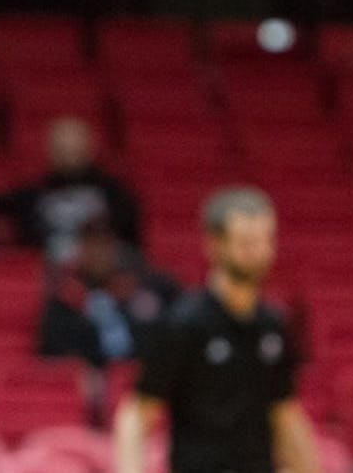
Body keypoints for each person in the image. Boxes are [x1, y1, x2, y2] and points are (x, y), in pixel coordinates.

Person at [113, 186, 321, 473]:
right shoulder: (185, 323)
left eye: (266, 240)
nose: (260, 252)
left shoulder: (273, 323)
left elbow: (285, 414)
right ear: (214, 245)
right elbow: (137, 413)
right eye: (247, 243)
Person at [37, 215, 177, 367]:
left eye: (105, 245)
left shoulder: (144, 285)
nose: (99, 254)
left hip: (139, 373)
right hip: (87, 377)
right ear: (81, 250)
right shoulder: (65, 297)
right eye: (92, 245)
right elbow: (53, 351)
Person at [0, 117, 141, 262]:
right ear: (50, 151)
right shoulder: (32, 194)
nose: (69, 157)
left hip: (102, 273)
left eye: (74, 150)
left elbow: (130, 240)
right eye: (62, 150)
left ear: (89, 148)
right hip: (48, 272)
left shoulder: (115, 193)